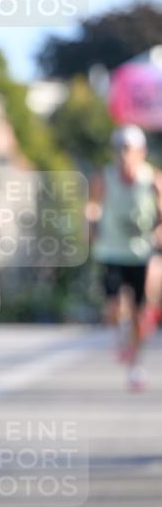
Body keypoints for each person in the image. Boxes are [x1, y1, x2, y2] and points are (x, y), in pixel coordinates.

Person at [87, 125, 162, 391]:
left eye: (128, 149)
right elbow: (93, 205)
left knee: (140, 313)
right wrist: (91, 225)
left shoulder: (153, 179)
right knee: (113, 306)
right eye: (119, 149)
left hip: (141, 253)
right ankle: (121, 333)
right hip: (112, 250)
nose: (123, 155)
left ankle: (136, 366)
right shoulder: (104, 177)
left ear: (141, 152)